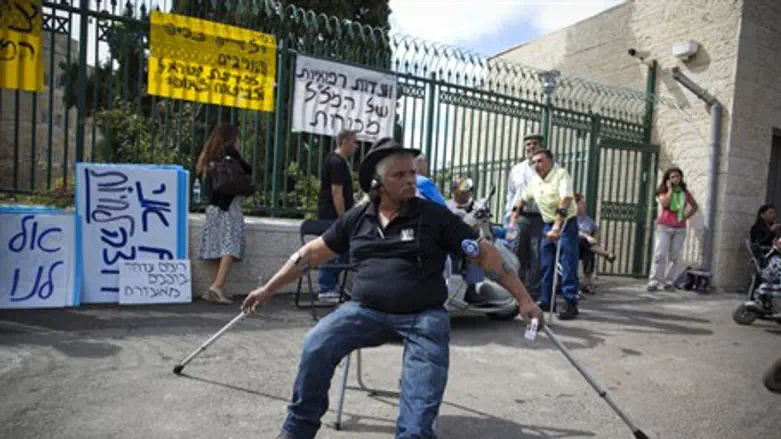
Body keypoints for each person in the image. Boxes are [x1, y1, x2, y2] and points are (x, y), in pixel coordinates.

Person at [242, 137, 544, 439]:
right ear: (377, 182)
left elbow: (486, 254)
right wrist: (268, 289)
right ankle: (297, 431)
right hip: (363, 312)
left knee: (419, 410)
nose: (411, 180)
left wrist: (524, 300)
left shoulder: (435, 217)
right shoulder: (357, 218)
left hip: (423, 316)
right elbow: (310, 255)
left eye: (412, 173)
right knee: (316, 343)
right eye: (400, 175)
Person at [510, 148, 580, 320]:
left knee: (567, 262)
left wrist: (557, 226)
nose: (536, 165)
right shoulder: (535, 181)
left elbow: (565, 200)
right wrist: (513, 218)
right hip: (547, 224)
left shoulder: (561, 174)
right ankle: (547, 300)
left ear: (550, 161)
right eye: (533, 162)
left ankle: (571, 303)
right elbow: (522, 199)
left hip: (565, 224)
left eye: (540, 161)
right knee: (546, 264)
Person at [195, 123, 252, 305]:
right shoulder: (231, 157)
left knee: (219, 246)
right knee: (230, 247)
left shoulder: (210, 157)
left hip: (213, 208)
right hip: (229, 207)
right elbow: (247, 172)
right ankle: (217, 286)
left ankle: (217, 286)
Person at [504, 133, 557, 298]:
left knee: (537, 256)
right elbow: (510, 194)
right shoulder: (517, 169)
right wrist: (508, 217)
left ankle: (533, 293)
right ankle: (515, 292)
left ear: (541, 146)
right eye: (528, 144)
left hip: (540, 218)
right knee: (516, 254)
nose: (531, 147)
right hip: (519, 217)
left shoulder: (553, 168)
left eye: (534, 144)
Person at [315, 129, 358, 302]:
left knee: (344, 251)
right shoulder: (336, 163)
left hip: (335, 215)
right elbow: (336, 192)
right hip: (332, 215)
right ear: (344, 142)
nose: (356, 146)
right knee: (331, 250)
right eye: (354, 142)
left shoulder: (340, 162)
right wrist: (343, 218)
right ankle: (326, 288)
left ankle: (333, 285)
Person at [647, 167, 699, 291]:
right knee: (659, 254)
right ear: (668, 179)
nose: (675, 179)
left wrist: (686, 217)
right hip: (664, 227)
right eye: (672, 177)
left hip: (680, 228)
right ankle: (654, 281)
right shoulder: (663, 191)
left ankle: (668, 282)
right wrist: (670, 189)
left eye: (677, 176)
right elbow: (664, 203)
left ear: (681, 178)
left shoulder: (685, 192)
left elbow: (695, 206)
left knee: (675, 256)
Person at [574, 193, 616, 294]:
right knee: (584, 242)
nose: (584, 205)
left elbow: (596, 231)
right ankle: (606, 254)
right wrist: (587, 236)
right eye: (581, 203)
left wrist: (594, 237)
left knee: (589, 252)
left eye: (584, 203)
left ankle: (586, 283)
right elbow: (573, 231)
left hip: (584, 248)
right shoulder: (571, 218)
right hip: (572, 246)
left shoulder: (588, 220)